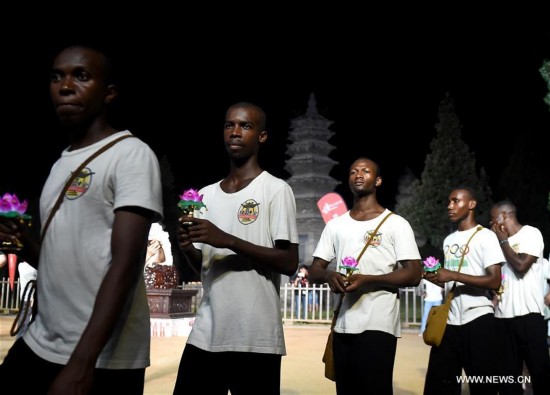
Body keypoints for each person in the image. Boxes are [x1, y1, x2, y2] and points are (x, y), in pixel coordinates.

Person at [0, 44, 163, 394]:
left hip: (102, 357)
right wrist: (22, 239)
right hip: (43, 339)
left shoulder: (131, 154)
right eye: (57, 76)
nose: (65, 86)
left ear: (109, 93)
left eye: (81, 76)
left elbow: (126, 262)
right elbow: (56, 261)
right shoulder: (61, 163)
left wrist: (82, 363)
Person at [173, 102, 299, 394]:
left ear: (262, 136)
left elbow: (289, 261)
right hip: (207, 331)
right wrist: (188, 248)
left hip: (256, 337)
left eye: (245, 126)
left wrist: (227, 239)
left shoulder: (275, 190)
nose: (235, 132)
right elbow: (205, 267)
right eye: (230, 125)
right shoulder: (204, 195)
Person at [308, 156, 423, 395]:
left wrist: (369, 279)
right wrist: (330, 276)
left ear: (378, 180)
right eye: (353, 172)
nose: (358, 175)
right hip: (343, 324)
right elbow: (315, 270)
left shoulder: (396, 224)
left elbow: (414, 274)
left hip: (378, 324)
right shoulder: (336, 226)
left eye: (366, 171)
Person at [423, 187, 505, 395]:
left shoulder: (485, 236)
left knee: (483, 386)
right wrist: (437, 278)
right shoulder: (448, 240)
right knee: (439, 385)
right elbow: (451, 281)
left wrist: (453, 275)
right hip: (449, 322)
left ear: (471, 204)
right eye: (448, 202)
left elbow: (495, 280)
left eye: (456, 201)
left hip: (478, 320)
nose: (450, 206)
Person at [489, 200, 550, 394]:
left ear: (504, 216)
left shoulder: (531, 233)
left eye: (493, 219)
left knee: (539, 374)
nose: (491, 224)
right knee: (507, 379)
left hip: (529, 316)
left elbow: (521, 266)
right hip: (503, 318)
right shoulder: (496, 243)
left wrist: (503, 241)